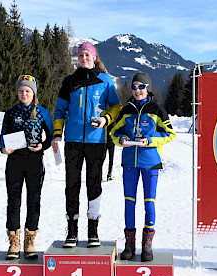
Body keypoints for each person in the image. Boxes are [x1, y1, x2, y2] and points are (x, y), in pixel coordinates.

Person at [52, 43, 122, 248]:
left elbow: (116, 106)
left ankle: (93, 230)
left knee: (94, 184)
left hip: (96, 141)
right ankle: (71, 231)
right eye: (80, 55)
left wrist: (106, 119)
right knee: (71, 185)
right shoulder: (69, 82)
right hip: (73, 141)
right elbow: (59, 111)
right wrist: (57, 133)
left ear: (94, 57)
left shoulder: (105, 80)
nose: (84, 58)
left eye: (87, 54)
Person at [111, 72, 176, 261]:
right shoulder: (126, 110)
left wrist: (150, 140)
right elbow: (114, 132)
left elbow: (170, 134)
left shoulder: (157, 109)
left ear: (147, 87)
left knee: (150, 202)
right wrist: (121, 139)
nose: (137, 90)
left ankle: (147, 246)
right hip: (130, 163)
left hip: (150, 163)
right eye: (134, 87)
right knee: (129, 202)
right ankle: (129, 246)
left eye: (141, 86)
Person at [0, 75, 53, 260]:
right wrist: (3, 148)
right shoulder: (11, 113)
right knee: (13, 201)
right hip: (14, 162)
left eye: (27, 91)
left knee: (33, 201)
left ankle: (30, 241)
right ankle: (14, 242)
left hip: (34, 162)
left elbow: (51, 137)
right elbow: (2, 135)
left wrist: (42, 146)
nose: (24, 94)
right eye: (21, 91)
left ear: (33, 93)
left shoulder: (43, 113)